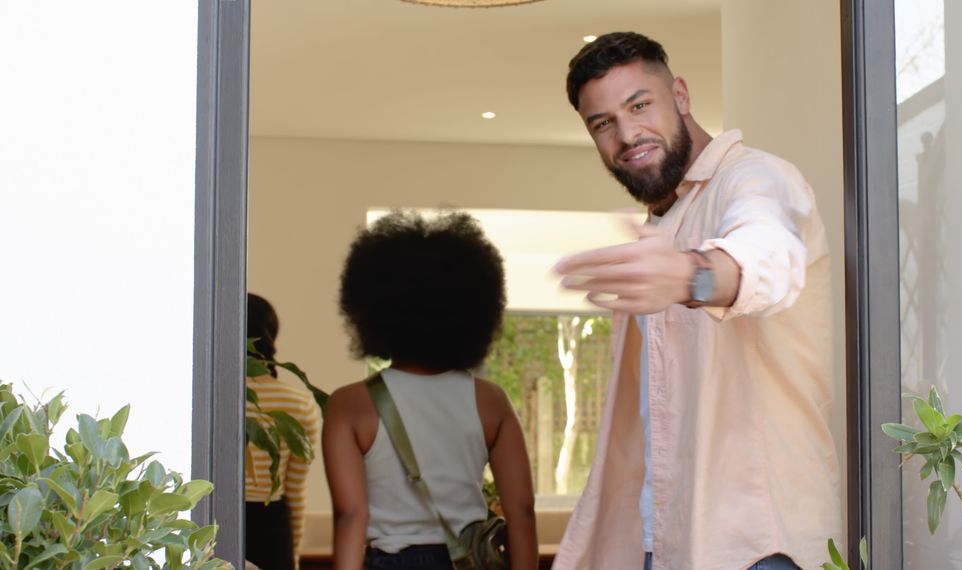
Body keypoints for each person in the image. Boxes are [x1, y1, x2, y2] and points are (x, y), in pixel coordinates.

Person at [552, 32, 841, 570]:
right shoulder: (658, 224)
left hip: (757, 545)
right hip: (666, 538)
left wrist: (693, 278)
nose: (627, 134)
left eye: (640, 105)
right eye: (603, 123)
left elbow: (769, 252)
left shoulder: (757, 178)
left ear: (680, 95)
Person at [323, 210, 538, 570]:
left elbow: (350, 516)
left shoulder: (350, 404)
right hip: (466, 560)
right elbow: (522, 511)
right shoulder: (490, 401)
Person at [245, 292, 323, 570]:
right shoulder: (299, 403)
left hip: (215, 517)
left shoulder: (213, 399)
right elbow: (295, 490)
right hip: (272, 528)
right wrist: (294, 557)